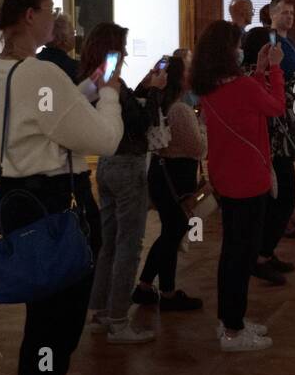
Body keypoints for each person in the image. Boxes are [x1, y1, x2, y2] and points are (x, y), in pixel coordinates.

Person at [0, 0, 124, 375]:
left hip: (19, 204)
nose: (56, 19)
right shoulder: (39, 73)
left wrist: (85, 85)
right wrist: (107, 92)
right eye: (49, 10)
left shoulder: (0, 71)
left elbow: (49, 113)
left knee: (41, 328)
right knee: (55, 333)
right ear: (30, 15)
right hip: (55, 207)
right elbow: (103, 141)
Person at [193, 20, 284, 351]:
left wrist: (259, 70)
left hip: (226, 179)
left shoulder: (211, 87)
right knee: (242, 256)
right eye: (237, 44)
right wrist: (274, 70)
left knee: (231, 253)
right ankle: (233, 330)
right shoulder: (241, 87)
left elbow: (251, 105)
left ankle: (229, 321)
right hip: (248, 180)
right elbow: (275, 106)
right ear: (227, 51)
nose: (240, 49)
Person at [82, 23, 167, 344]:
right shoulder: (112, 83)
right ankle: (119, 320)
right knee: (129, 246)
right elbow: (141, 124)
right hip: (128, 165)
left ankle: (101, 311)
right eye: (121, 48)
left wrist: (145, 87)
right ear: (111, 50)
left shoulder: (94, 80)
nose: (127, 54)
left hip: (106, 164)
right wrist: (157, 90)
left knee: (109, 242)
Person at [250, 0, 295, 284]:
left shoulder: (285, 47)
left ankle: (265, 251)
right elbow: (286, 98)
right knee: (283, 197)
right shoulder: (260, 72)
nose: (289, 16)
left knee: (281, 199)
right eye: (284, 12)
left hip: (278, 136)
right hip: (273, 140)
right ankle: (260, 255)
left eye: (292, 11)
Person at [139, 54, 206, 312]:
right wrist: (203, 127)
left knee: (170, 232)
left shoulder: (167, 105)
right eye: (188, 70)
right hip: (175, 177)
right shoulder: (179, 109)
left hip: (164, 175)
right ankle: (167, 293)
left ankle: (145, 285)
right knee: (173, 233)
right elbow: (199, 148)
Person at [37, 11, 82, 83]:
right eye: (72, 33)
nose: (75, 37)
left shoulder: (33, 61)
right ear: (64, 39)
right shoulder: (74, 68)